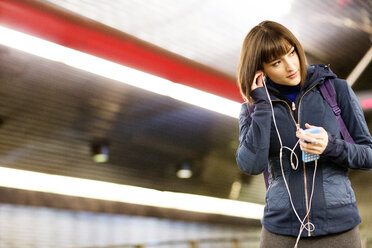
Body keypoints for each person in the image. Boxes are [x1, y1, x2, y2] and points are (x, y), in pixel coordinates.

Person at [235, 20, 372, 248]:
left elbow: (368, 155)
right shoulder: (253, 109)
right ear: (260, 70)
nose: (291, 66)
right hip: (280, 232)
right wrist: (261, 107)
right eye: (277, 62)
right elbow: (251, 165)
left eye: (291, 53)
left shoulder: (335, 90)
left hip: (339, 230)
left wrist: (331, 146)